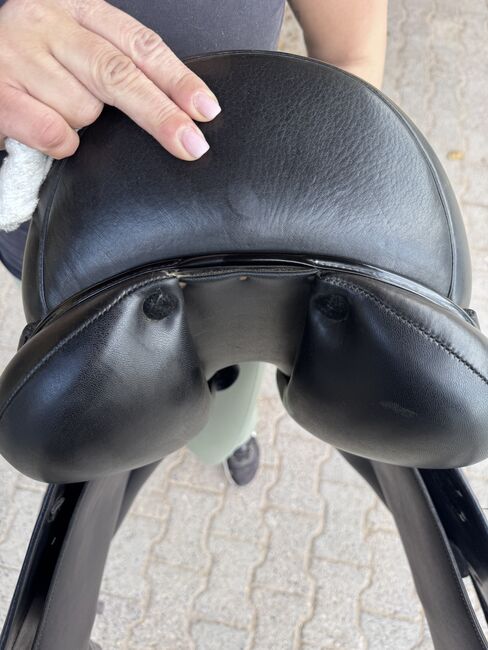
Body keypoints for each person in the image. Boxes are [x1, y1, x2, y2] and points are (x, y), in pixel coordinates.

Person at [0, 0, 388, 485]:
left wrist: (306, 207)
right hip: (67, 268)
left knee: (232, 371)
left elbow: (351, 57)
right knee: (110, 404)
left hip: (246, 258)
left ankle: (227, 433)